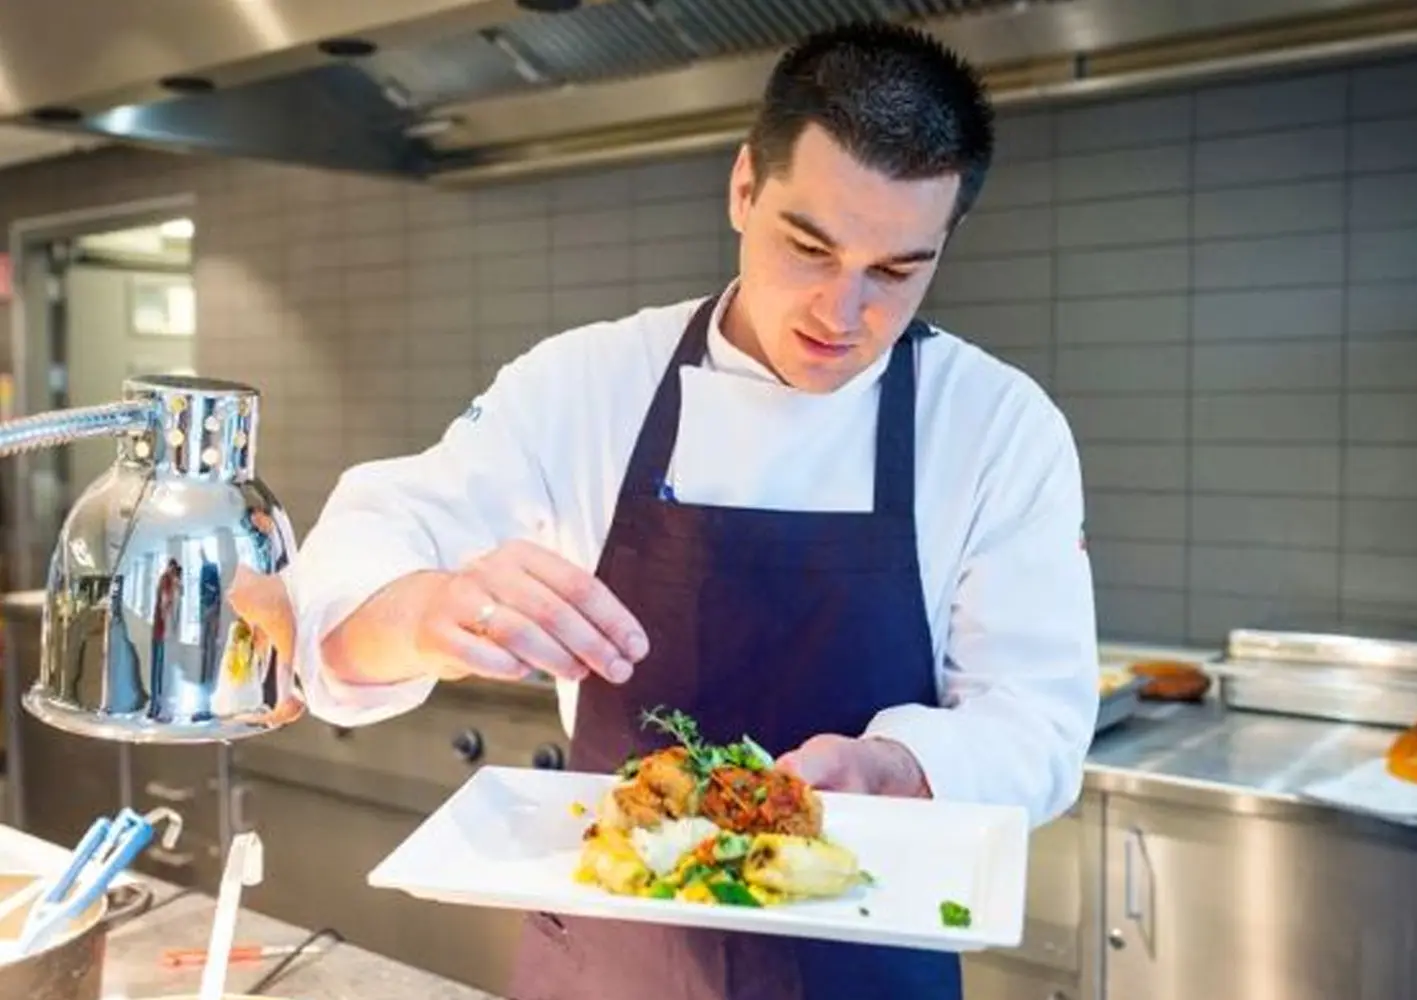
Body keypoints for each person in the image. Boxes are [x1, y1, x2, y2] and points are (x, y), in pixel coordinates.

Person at [230, 19, 1099, 1000]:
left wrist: (893, 765)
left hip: (865, 959)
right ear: (742, 188)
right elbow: (368, 557)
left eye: (896, 270)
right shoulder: (589, 383)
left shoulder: (997, 426)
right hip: (611, 956)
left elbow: (1037, 719)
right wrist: (425, 610)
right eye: (807, 245)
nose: (841, 311)